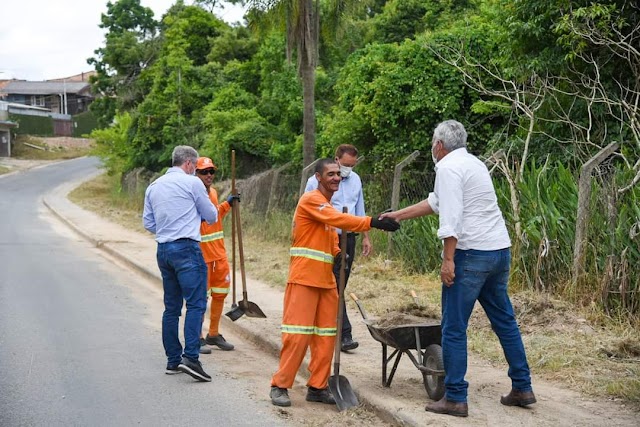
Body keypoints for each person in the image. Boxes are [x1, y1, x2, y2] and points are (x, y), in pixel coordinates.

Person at [380, 120, 535, 418]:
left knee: (453, 328)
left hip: (470, 255)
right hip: (498, 252)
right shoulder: (473, 163)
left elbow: (450, 219)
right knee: (505, 322)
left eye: (432, 143)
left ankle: (455, 397)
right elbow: (436, 202)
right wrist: (397, 215)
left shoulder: (448, 169)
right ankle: (522, 387)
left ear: (439, 145)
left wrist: (448, 260)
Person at [270, 158, 400, 407]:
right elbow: (338, 220)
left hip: (327, 283)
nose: (335, 178)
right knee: (297, 336)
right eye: (330, 174)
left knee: (326, 337)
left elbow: (331, 236)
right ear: (318, 177)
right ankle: (280, 385)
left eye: (338, 175)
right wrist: (372, 222)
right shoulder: (312, 200)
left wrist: (339, 255)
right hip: (304, 280)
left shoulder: (328, 207)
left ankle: (317, 387)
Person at [143, 145, 218, 382]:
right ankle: (191, 358)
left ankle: (173, 361)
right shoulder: (192, 183)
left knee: (172, 308)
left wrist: (168, 229)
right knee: (196, 305)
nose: (197, 172)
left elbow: (148, 222)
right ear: (188, 164)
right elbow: (212, 216)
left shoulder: (153, 186)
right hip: (187, 248)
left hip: (163, 249)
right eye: (195, 168)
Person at [305, 144, 370, 352]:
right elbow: (307, 209)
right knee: (332, 286)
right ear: (336, 159)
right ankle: (343, 334)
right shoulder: (315, 182)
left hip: (348, 237)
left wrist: (366, 236)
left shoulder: (356, 180)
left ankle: (330, 328)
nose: (346, 171)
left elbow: (360, 210)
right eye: (345, 165)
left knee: (338, 286)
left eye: (352, 165)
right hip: (325, 237)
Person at [194, 157, 239, 353]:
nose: (209, 175)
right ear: (195, 173)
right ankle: (197, 337)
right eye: (204, 172)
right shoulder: (191, 195)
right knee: (201, 299)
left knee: (220, 294)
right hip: (202, 257)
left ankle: (213, 334)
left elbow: (214, 216)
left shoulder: (212, 192)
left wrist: (227, 204)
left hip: (219, 255)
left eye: (211, 171)